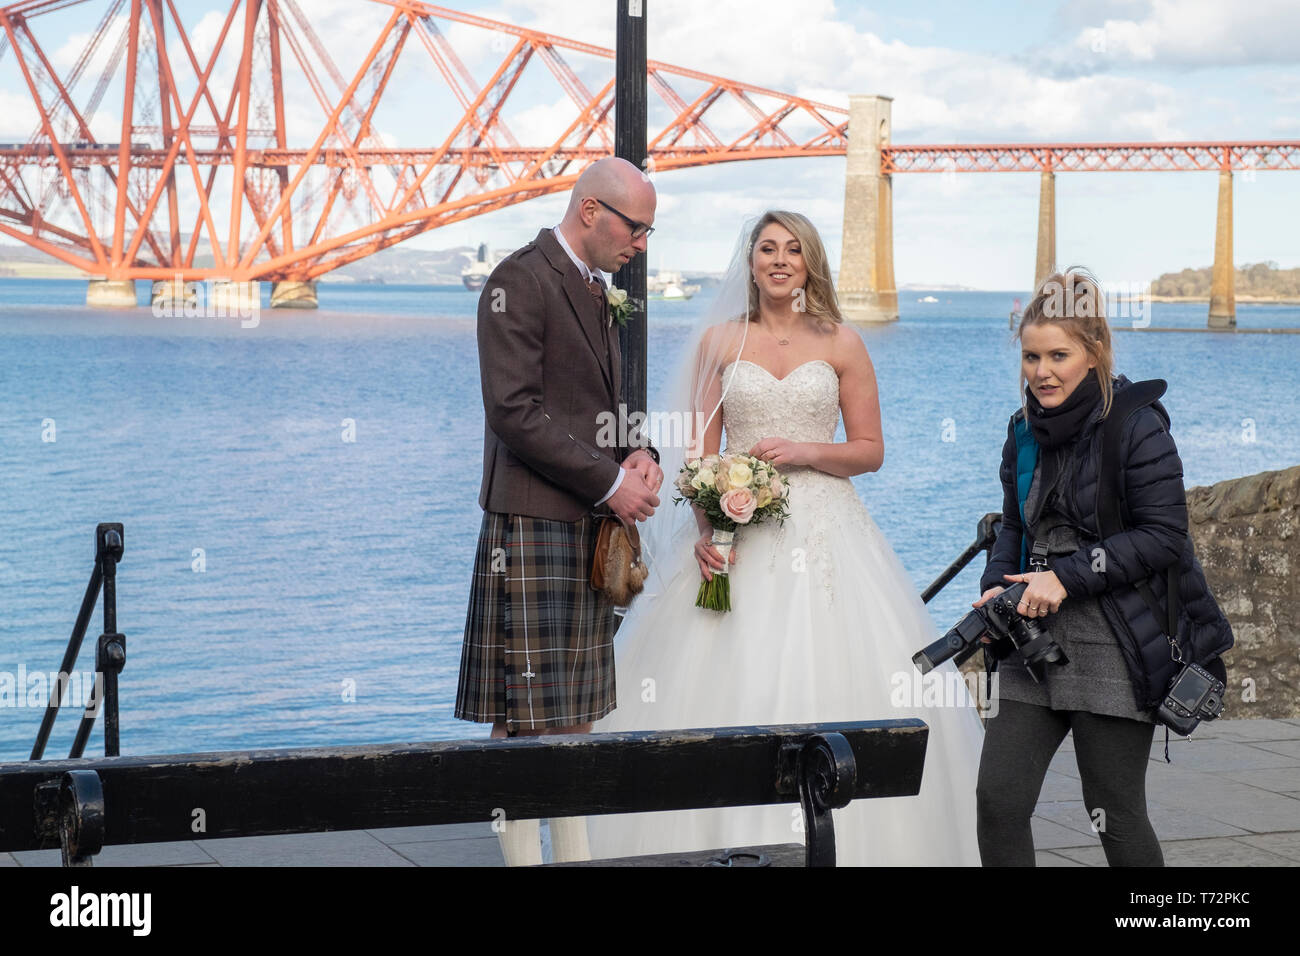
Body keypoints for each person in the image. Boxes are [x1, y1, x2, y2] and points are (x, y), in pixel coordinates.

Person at [585, 211, 983, 866]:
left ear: (809, 264)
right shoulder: (720, 340)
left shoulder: (842, 344)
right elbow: (699, 458)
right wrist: (710, 528)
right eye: (766, 248)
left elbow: (869, 451)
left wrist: (802, 450)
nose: (778, 259)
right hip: (738, 534)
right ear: (750, 263)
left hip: (827, 526)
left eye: (792, 250)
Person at [973, 267, 1234, 867]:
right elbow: (1014, 526)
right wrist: (995, 591)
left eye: (1059, 355)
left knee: (1114, 814)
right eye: (1032, 356)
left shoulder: (1138, 426)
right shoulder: (1022, 432)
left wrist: (1064, 578)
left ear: (1093, 353)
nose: (1042, 372)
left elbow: (1164, 536)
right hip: (1031, 639)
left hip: (1118, 639)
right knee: (998, 801)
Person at [453, 157, 665, 866]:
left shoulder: (593, 287)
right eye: (637, 227)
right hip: (531, 527)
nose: (642, 243)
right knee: (523, 721)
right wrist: (610, 484)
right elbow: (513, 414)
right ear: (591, 213)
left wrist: (641, 453)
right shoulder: (519, 280)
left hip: (580, 525)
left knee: (574, 717)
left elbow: (599, 402)